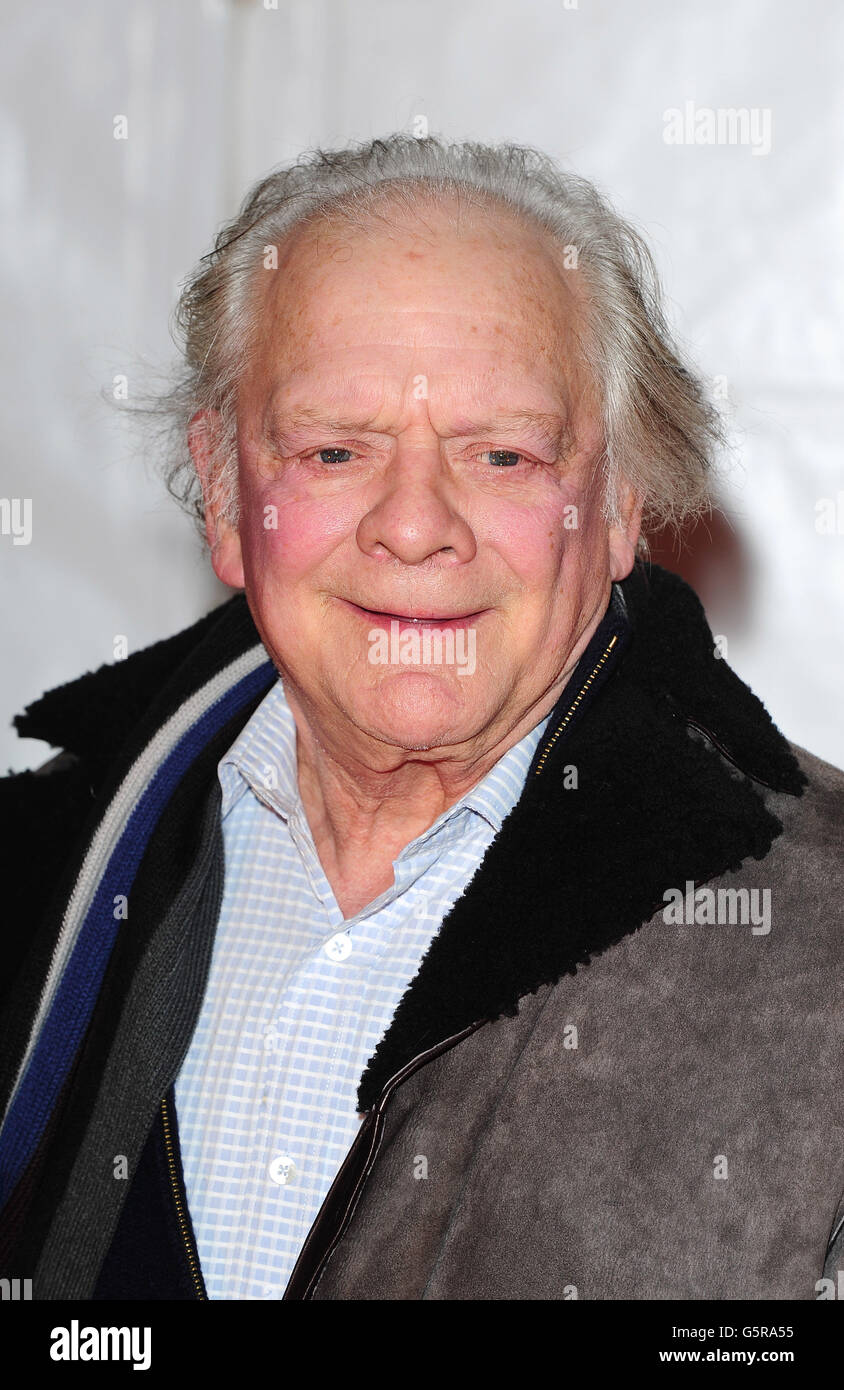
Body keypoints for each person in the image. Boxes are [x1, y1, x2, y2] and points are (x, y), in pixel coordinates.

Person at [1, 134, 841, 1301]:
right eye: (335, 449)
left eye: (500, 454)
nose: (413, 524)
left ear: (616, 506)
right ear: (228, 489)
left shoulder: (818, 939)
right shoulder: (41, 874)